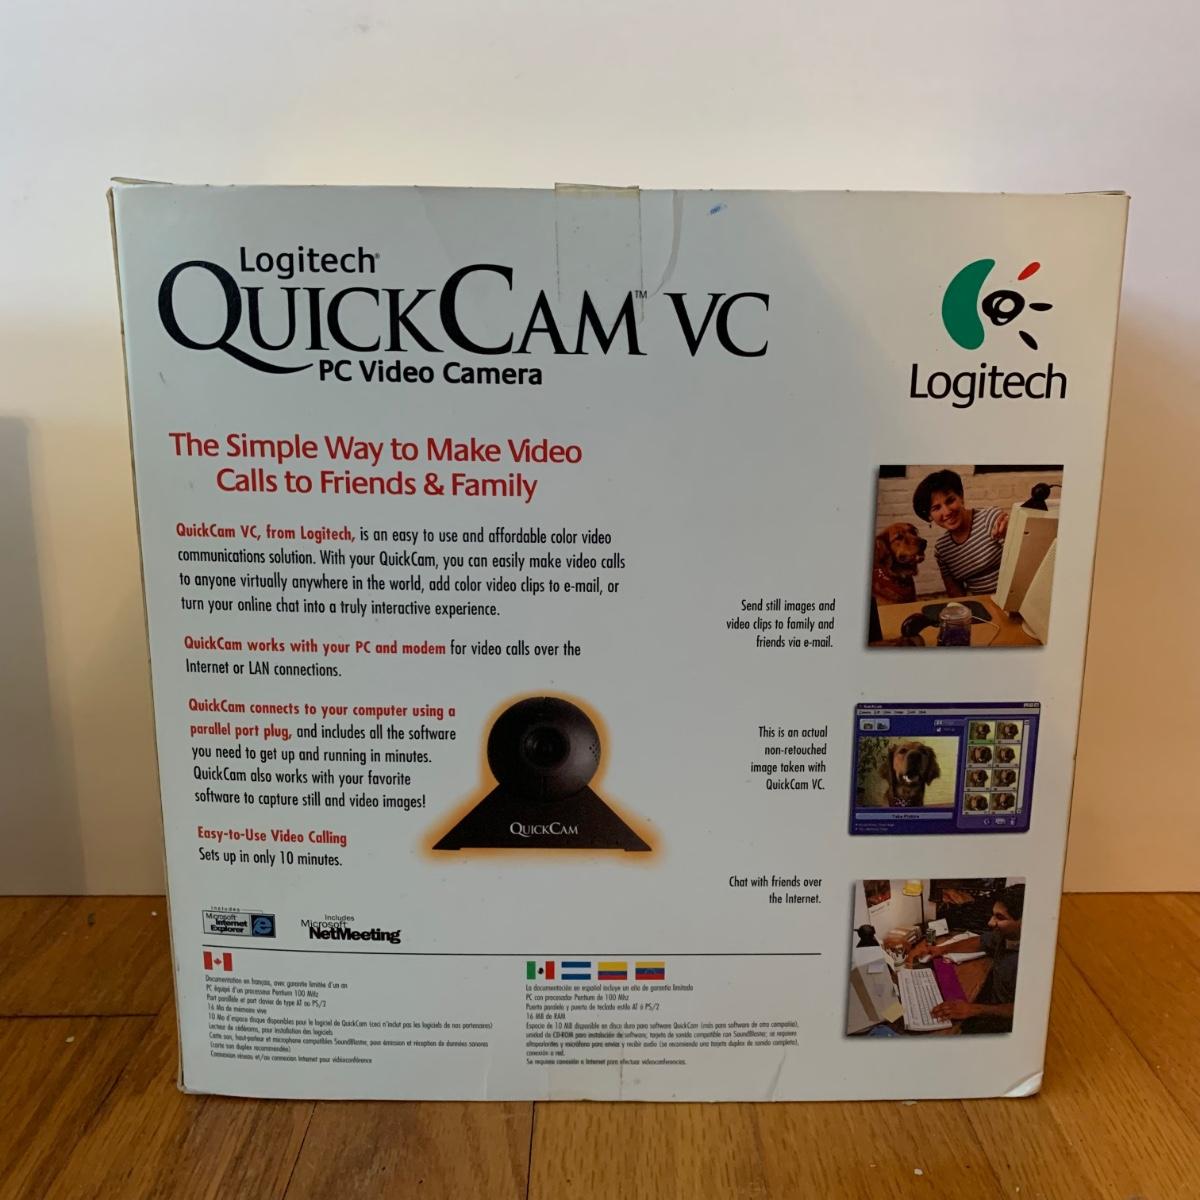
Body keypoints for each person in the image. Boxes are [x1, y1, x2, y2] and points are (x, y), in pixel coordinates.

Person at [906, 883, 1024, 1034]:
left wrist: (974, 1009)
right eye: (993, 914)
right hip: (991, 1004)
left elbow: (1025, 1008)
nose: (990, 922)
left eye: (1000, 918)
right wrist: (941, 949)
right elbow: (980, 942)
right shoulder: (1004, 935)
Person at [912, 469, 1010, 596]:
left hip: (1014, 596)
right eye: (936, 508)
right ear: (930, 516)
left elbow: (1022, 562)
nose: (947, 512)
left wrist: (1013, 532)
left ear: (961, 497)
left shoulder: (989, 518)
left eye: (950, 501)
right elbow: (956, 593)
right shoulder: (942, 549)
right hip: (983, 604)